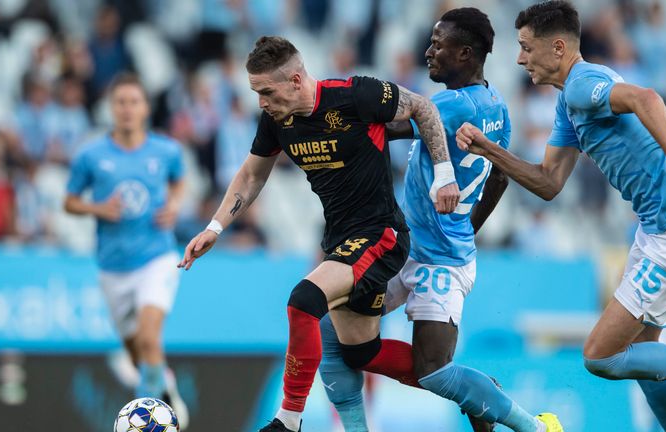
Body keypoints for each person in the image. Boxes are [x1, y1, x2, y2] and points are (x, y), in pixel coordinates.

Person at [456, 1, 666, 431]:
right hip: (661, 225)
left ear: (558, 48)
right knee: (645, 356)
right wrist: (489, 149)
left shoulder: (581, 84)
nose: (519, 59)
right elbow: (548, 182)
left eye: (525, 47)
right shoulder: (567, 106)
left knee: (600, 355)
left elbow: (645, 97)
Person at [177, 36, 461, 432]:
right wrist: (215, 226)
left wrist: (445, 174)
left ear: (295, 80)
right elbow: (251, 174)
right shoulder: (277, 121)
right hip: (339, 240)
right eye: (256, 93)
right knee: (362, 352)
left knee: (303, 301)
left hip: (382, 234)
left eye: (266, 92)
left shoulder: (355, 95)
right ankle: (469, 390)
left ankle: (288, 419)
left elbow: (423, 107)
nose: (260, 102)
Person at [318, 8, 563, 432]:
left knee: (432, 369)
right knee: (334, 324)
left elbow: (383, 127)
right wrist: (469, 229)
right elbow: (500, 178)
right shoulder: (497, 106)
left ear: (465, 53)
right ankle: (474, 391)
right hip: (415, 250)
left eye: (438, 44)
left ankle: (534, 426)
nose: (428, 51)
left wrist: (322, 118)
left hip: (437, 261)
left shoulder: (448, 104)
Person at [64, 73, 189, 428]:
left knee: (151, 337)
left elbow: (180, 180)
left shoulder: (165, 151)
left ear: (145, 108)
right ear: (111, 108)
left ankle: (147, 421)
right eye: (120, 102)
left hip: (156, 257)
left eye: (134, 102)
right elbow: (69, 202)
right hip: (112, 267)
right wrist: (97, 209)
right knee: (139, 354)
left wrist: (175, 204)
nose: (127, 109)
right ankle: (164, 387)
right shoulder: (91, 156)